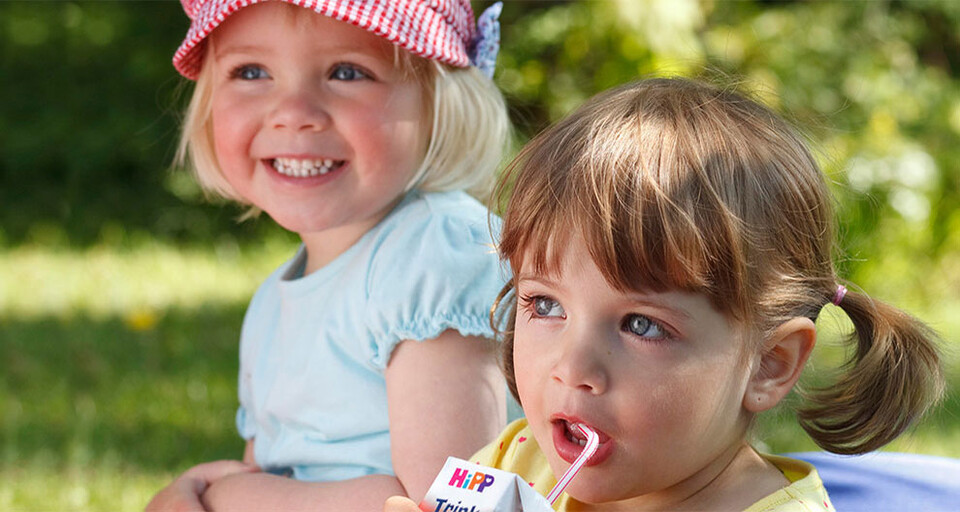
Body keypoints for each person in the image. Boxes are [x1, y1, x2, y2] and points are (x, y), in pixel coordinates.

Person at [384, 77, 944, 511]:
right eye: (545, 304)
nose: (572, 368)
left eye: (641, 325)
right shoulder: (517, 462)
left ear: (768, 364)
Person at [147, 1, 512, 510]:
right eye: (251, 72)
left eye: (347, 72)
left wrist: (233, 497)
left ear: (438, 100)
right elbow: (272, 472)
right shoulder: (272, 302)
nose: (294, 112)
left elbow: (452, 502)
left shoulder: (434, 255)